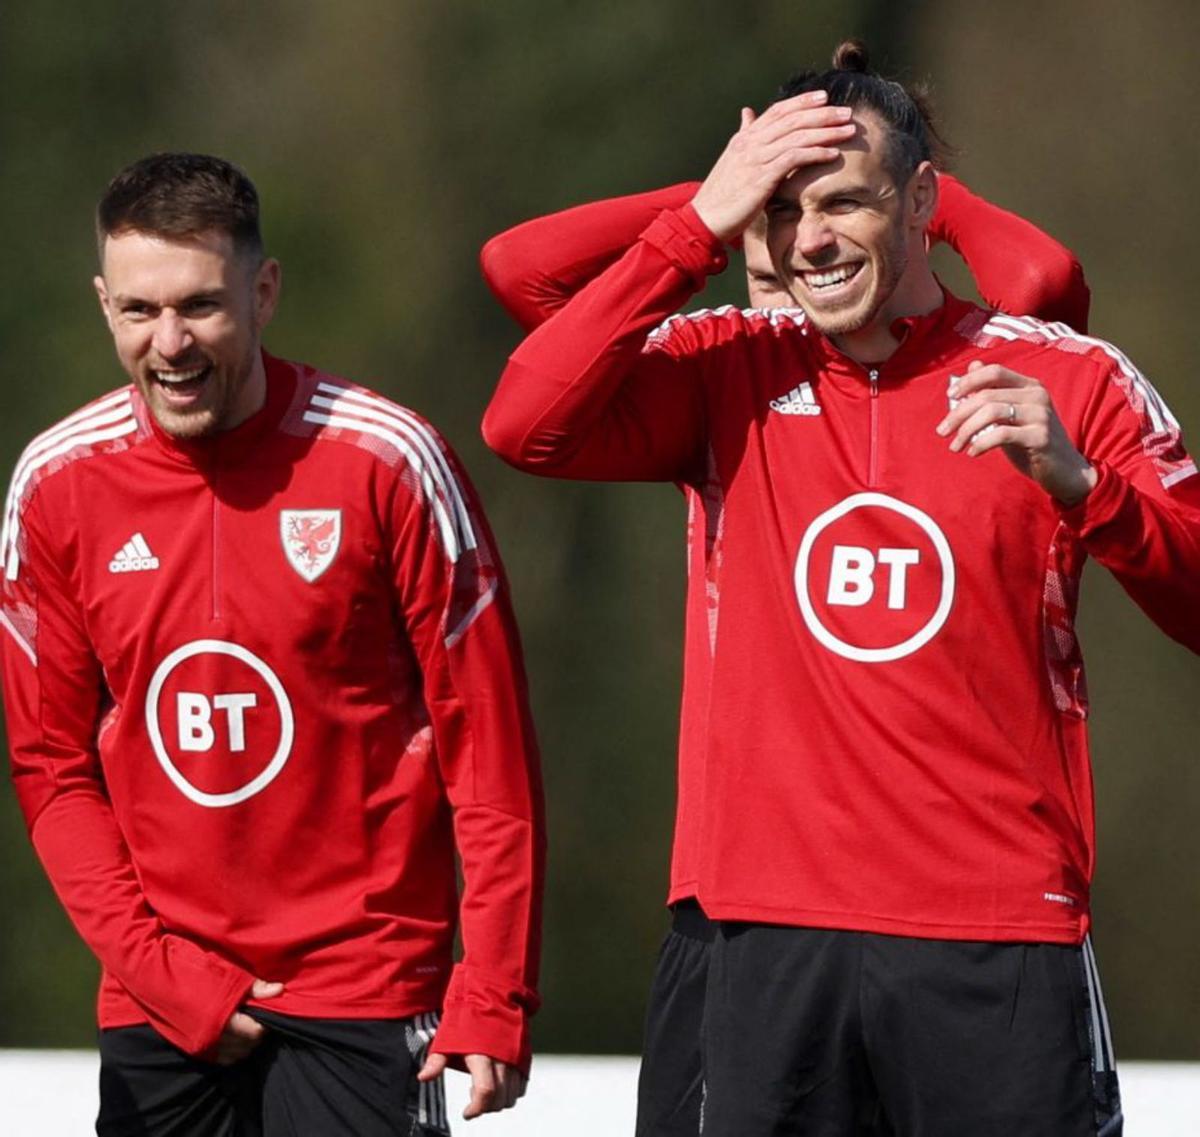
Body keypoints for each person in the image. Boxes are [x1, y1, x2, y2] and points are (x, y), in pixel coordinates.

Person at [482, 41, 1200, 1136]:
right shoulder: (727, 367)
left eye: (845, 202)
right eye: (782, 208)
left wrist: (1086, 489)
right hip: (765, 935)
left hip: (999, 934)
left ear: (922, 202)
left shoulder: (1066, 379)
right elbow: (523, 423)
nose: (808, 239)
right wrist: (698, 221)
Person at [0, 152, 544, 1137]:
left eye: (201, 305)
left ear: (264, 290)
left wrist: (494, 988)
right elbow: (50, 767)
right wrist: (160, 971)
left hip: (367, 997)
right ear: (102, 303)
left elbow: (489, 750)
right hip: (163, 1003)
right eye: (136, 311)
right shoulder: (54, 485)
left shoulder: (388, 461)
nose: (170, 343)